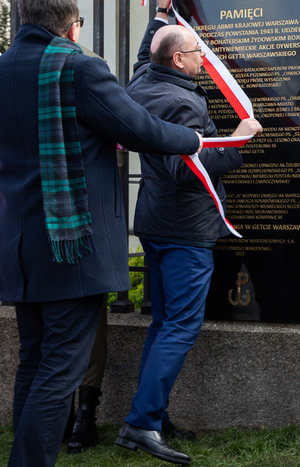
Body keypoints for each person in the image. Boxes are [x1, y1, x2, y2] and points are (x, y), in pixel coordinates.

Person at [0, 0, 202, 467]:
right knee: (58, 371)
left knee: (33, 363)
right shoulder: (77, 67)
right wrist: (197, 140)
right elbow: (141, 129)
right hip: (72, 247)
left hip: (18, 245)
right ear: (69, 23)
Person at [116, 24, 262, 465]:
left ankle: (150, 415)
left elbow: (144, 61)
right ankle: (141, 423)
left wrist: (160, 15)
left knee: (164, 324)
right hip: (184, 232)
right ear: (178, 59)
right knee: (180, 326)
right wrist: (239, 139)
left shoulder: (144, 85)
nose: (204, 58)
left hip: (157, 226)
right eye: (197, 52)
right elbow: (186, 170)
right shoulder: (181, 102)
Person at [64, 0, 175, 455]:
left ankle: (82, 416)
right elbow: (135, 102)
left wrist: (157, 19)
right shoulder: (81, 73)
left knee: (79, 327)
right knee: (72, 325)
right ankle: (73, 417)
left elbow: (137, 82)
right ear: (72, 29)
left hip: (66, 222)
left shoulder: (88, 79)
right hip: (69, 218)